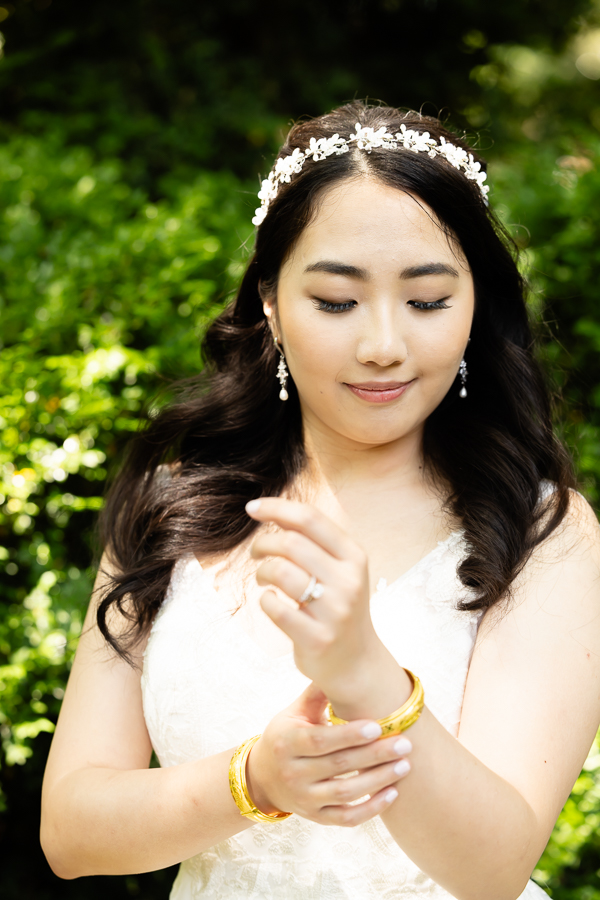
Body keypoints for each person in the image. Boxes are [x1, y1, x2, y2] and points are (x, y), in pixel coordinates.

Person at [40, 100, 600, 900]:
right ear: (270, 300)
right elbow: (69, 833)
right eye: (337, 301)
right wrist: (255, 780)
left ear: (476, 306)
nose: (383, 344)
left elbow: (494, 869)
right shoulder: (173, 512)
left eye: (428, 301)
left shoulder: (544, 533)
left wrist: (365, 672)